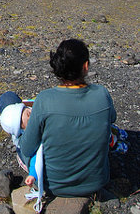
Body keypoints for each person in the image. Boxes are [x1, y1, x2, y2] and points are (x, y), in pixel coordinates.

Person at [18, 38, 118, 198]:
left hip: (52, 185)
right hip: (96, 182)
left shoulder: (44, 100)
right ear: (85, 66)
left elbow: (27, 148)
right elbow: (112, 118)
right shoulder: (102, 95)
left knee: (20, 136)